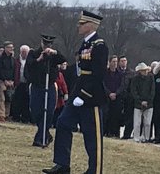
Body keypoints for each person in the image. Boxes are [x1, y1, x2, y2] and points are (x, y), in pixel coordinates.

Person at [43, 10, 108, 174]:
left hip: (90, 96)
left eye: (82, 23)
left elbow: (98, 74)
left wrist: (84, 95)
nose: (78, 26)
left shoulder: (99, 45)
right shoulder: (85, 44)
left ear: (91, 25)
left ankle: (95, 170)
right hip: (78, 91)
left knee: (92, 136)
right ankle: (62, 165)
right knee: (63, 123)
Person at [26, 34, 65, 148]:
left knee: (48, 112)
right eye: (45, 44)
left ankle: (40, 138)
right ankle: (45, 133)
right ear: (41, 43)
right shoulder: (33, 53)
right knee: (36, 111)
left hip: (50, 86)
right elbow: (30, 65)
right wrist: (40, 59)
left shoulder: (53, 55)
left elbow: (63, 59)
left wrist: (55, 53)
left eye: (49, 44)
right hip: (37, 86)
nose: (47, 46)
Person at [129, 62, 155, 143]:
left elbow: (152, 90)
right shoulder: (135, 79)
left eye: (146, 70)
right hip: (138, 104)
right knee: (137, 123)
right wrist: (140, 101)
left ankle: (146, 137)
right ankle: (136, 138)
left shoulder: (151, 78)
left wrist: (148, 101)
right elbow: (134, 91)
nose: (145, 72)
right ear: (140, 71)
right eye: (143, 70)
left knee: (147, 123)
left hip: (149, 104)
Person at [0, 42, 17, 121]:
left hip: (11, 81)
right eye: (9, 47)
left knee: (9, 98)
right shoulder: (0, 58)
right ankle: (1, 115)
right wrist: (4, 80)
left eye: (12, 47)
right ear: (5, 48)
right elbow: (0, 70)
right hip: (2, 80)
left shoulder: (13, 59)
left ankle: (7, 114)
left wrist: (12, 80)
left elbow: (14, 70)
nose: (11, 49)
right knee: (2, 98)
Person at [13, 44, 32, 122]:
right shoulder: (16, 60)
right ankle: (16, 117)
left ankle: (25, 118)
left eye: (26, 52)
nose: (24, 53)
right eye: (23, 52)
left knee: (26, 102)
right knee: (17, 101)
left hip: (27, 83)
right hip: (19, 83)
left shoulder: (30, 61)